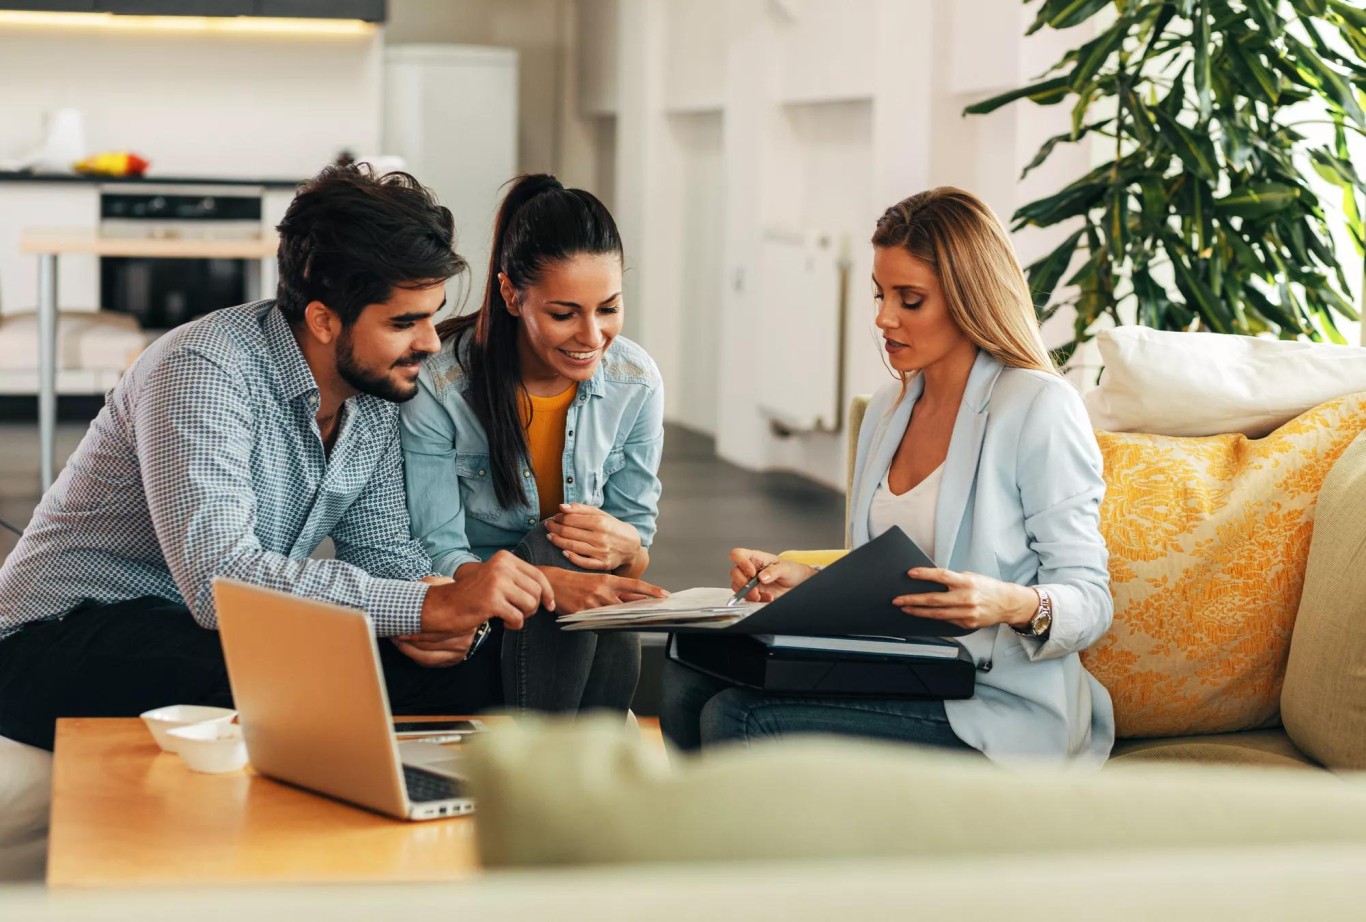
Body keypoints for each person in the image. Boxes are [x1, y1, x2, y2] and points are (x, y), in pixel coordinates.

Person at [0, 164, 553, 751]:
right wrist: (424, 604)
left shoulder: (375, 395)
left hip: (196, 630)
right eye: (403, 322)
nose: (429, 342)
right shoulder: (202, 371)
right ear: (322, 319)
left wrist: (439, 612)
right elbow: (221, 580)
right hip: (56, 636)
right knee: (293, 667)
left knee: (474, 667)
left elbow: (384, 548)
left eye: (430, 316)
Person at [661, 187, 1115, 766]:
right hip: (901, 672)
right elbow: (889, 577)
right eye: (881, 294)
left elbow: (1091, 599)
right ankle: (692, 854)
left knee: (738, 716)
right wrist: (810, 582)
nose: (883, 317)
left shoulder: (1037, 407)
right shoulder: (887, 408)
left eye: (910, 299)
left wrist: (1008, 604)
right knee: (685, 676)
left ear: (968, 299)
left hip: (995, 702)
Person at [401, 173, 666, 716]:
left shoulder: (636, 381)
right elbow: (437, 550)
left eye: (609, 308)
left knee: (584, 553)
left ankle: (569, 766)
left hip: (576, 630)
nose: (592, 336)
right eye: (564, 314)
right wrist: (550, 581)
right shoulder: (441, 384)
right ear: (511, 294)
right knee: (554, 545)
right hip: (480, 619)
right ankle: (580, 762)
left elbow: (633, 554)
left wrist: (626, 549)